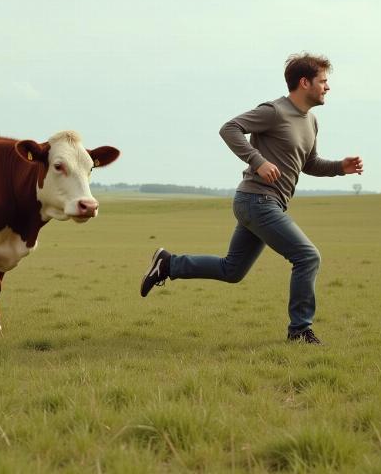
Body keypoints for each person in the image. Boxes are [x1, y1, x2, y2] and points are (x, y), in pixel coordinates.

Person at [140, 53, 363, 344]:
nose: (328, 87)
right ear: (304, 82)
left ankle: (168, 264)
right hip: (257, 200)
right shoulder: (274, 111)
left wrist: (339, 168)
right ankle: (299, 331)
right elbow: (229, 129)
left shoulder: (312, 122)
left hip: (267, 203)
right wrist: (257, 160)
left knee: (231, 270)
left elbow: (307, 163)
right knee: (307, 256)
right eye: (323, 81)